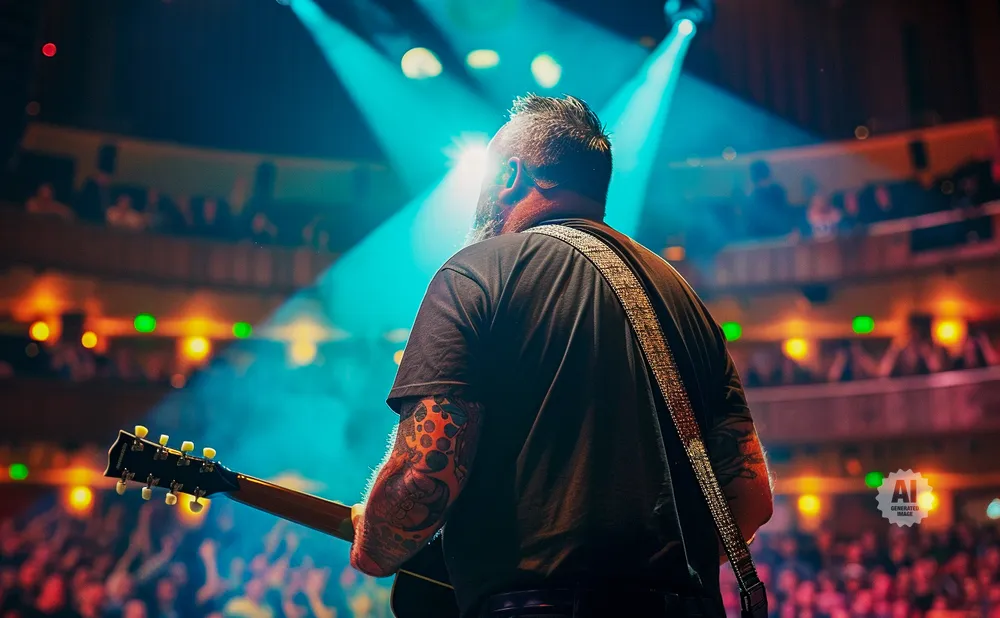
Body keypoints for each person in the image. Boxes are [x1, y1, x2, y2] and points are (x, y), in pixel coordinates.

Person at [349, 94, 773, 618]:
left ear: (509, 173)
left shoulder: (476, 272)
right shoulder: (683, 298)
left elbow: (426, 474)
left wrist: (374, 538)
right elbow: (750, 497)